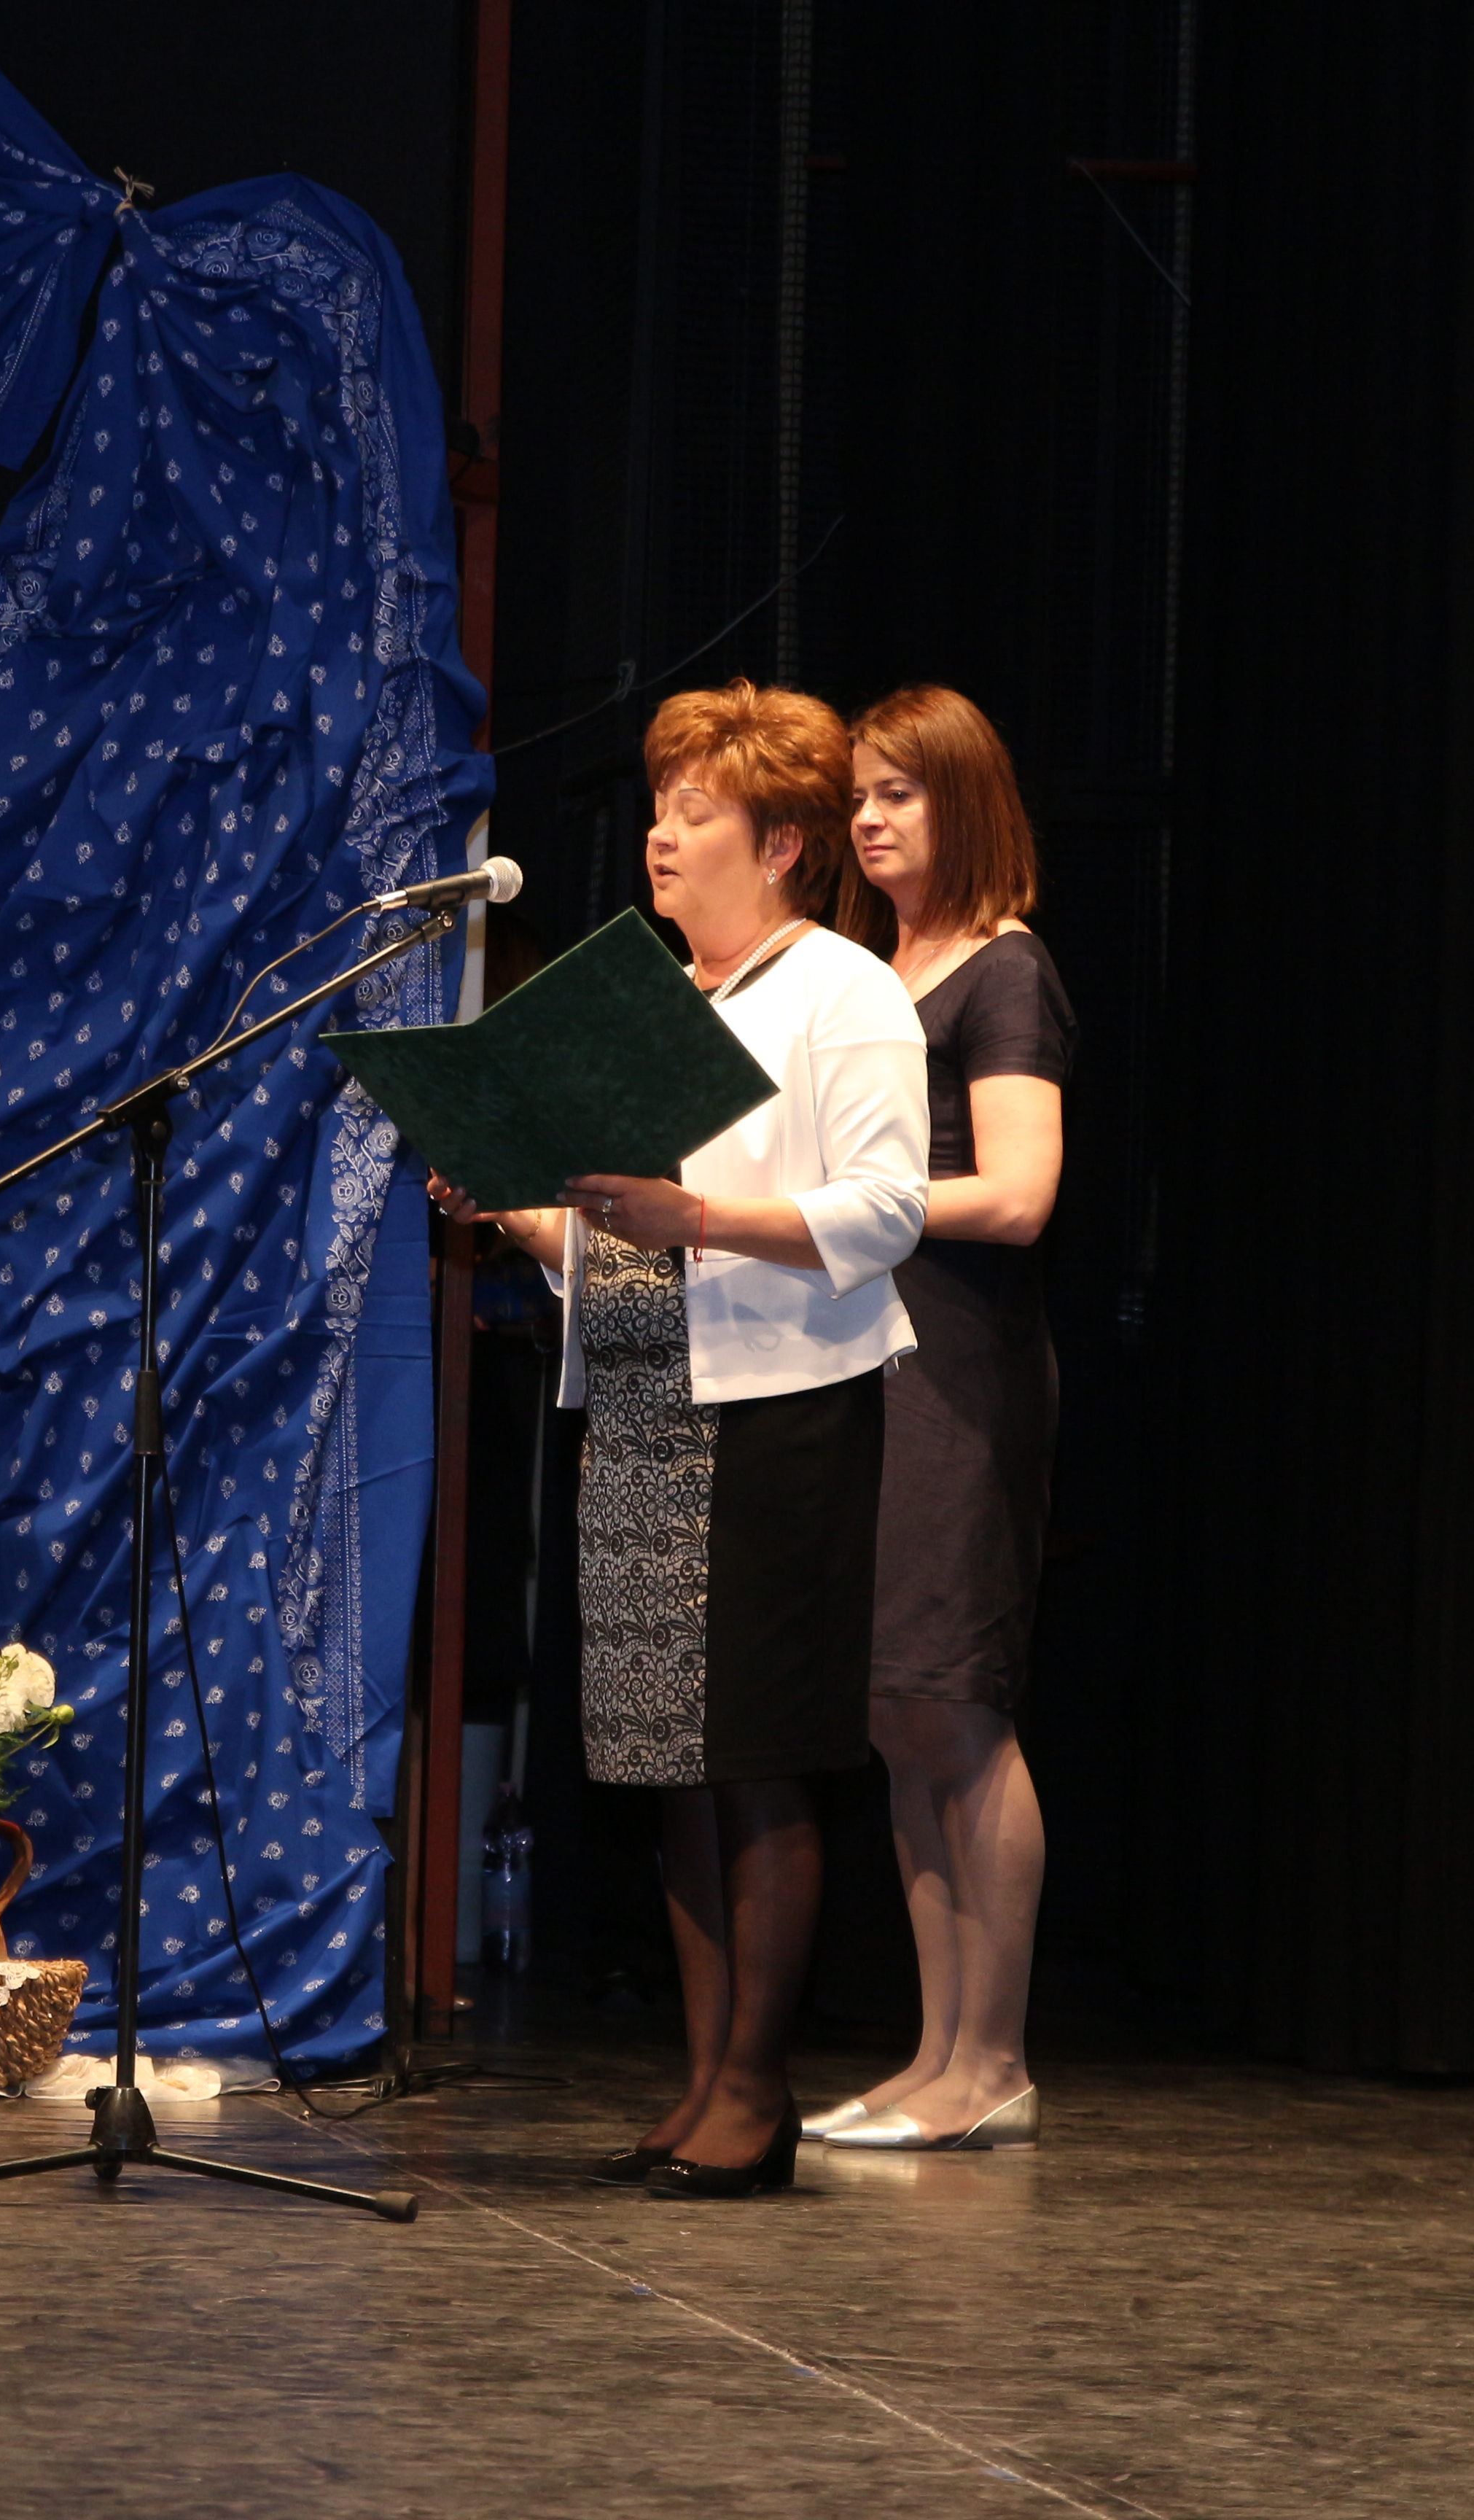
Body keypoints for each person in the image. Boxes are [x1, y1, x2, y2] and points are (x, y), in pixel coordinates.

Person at [429, 681, 929, 2198]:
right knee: (672, 1763)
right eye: (659, 807)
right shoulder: (664, 1003)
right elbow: (625, 1247)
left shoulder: (842, 991)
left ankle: (758, 2093)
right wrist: (520, 1212)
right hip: (645, 1397)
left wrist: (693, 1213)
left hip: (779, 1414)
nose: (661, 836)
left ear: (779, 845)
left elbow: (886, 1211)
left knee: (756, 1763)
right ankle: (706, 2078)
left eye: (694, 812)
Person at [815, 684, 1071, 2153]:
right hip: (865, 1364)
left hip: (961, 1377)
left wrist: (851, 1207)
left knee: (959, 1712)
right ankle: (934, 2056)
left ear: (964, 802)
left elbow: (1022, 1193)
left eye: (898, 792)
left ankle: (996, 2062)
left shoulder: (1005, 968)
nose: (867, 819)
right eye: (859, 794)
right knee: (896, 1714)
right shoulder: (870, 973)